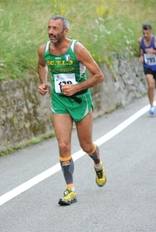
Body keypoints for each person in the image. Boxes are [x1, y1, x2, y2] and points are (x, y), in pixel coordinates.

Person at [37, 15, 107, 206]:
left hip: (80, 100)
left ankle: (97, 161)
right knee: (63, 146)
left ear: (65, 31)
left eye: (55, 29)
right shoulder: (44, 50)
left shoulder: (78, 49)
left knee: (86, 146)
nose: (51, 32)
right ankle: (70, 189)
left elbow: (99, 76)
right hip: (59, 102)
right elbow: (42, 65)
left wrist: (76, 88)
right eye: (49, 27)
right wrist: (43, 83)